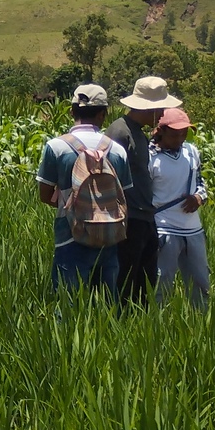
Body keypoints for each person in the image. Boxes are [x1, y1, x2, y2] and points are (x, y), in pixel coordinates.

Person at [34, 83, 134, 297]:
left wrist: (72, 204)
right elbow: (124, 196)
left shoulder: (56, 147)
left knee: (68, 305)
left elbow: (45, 194)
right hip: (109, 235)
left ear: (71, 111)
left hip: (70, 235)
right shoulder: (117, 150)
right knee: (107, 306)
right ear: (103, 114)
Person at [111, 75, 182, 304]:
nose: (162, 115)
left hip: (144, 216)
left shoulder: (138, 133)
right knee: (127, 282)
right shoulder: (120, 133)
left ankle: (139, 325)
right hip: (129, 218)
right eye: (160, 108)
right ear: (149, 108)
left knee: (145, 283)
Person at [148, 108, 210, 307]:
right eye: (175, 134)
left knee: (201, 283)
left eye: (184, 133)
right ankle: (160, 324)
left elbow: (201, 182)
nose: (180, 138)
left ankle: (202, 323)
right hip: (164, 228)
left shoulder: (191, 151)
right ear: (162, 130)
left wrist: (199, 197)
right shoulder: (149, 157)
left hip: (193, 229)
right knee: (162, 283)